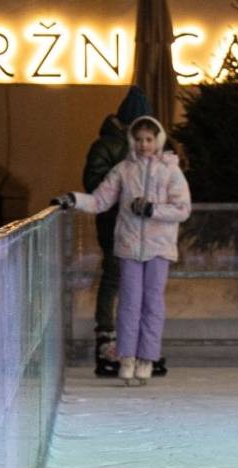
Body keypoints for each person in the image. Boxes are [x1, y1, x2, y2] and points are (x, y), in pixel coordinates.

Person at [53, 115, 192, 386]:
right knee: (129, 303)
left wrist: (153, 209)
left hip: (159, 247)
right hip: (129, 246)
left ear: (158, 140)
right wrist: (73, 199)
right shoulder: (123, 170)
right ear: (132, 141)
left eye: (149, 140)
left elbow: (183, 209)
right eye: (139, 140)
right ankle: (126, 357)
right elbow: (100, 200)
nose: (143, 145)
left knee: (152, 303)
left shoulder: (170, 171)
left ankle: (147, 358)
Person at [82, 86, 169, 378]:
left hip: (149, 230)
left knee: (144, 288)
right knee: (116, 278)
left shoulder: (150, 152)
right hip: (117, 226)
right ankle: (108, 339)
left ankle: (142, 346)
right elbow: (96, 186)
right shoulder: (109, 148)